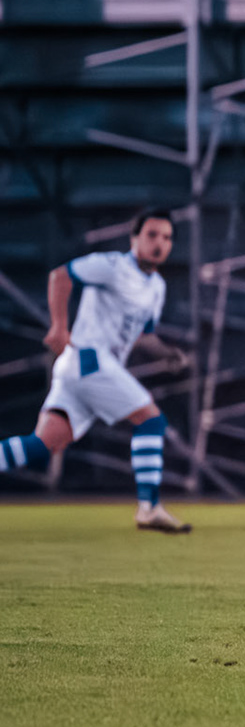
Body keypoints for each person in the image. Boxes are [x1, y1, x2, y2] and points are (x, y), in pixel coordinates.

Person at [0, 209, 192, 531]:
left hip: (85, 369)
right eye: (152, 235)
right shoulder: (112, 266)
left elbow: (143, 335)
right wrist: (59, 327)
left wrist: (168, 353)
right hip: (90, 360)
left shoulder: (157, 287)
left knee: (41, 446)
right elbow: (60, 276)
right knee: (152, 421)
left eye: (167, 237)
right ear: (134, 238)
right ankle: (149, 508)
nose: (160, 243)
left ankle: (149, 508)